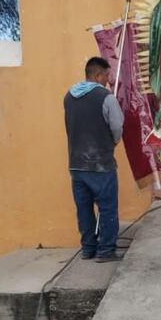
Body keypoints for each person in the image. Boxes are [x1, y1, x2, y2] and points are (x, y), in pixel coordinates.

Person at [64, 57, 124, 262]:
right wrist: (113, 142)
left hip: (76, 164)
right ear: (98, 75)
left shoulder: (68, 97)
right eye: (107, 75)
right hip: (101, 164)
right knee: (107, 208)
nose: (109, 80)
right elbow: (117, 126)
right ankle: (106, 251)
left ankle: (88, 248)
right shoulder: (106, 97)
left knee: (84, 209)